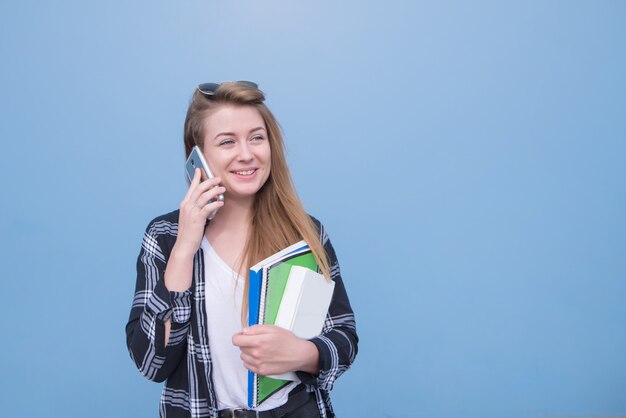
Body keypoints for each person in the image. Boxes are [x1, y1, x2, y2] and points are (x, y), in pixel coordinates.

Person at [125, 81, 358, 418]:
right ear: (198, 155)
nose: (246, 154)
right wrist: (184, 249)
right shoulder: (164, 236)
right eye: (227, 142)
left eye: (256, 137)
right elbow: (151, 363)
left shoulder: (305, 233)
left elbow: (344, 337)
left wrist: (303, 353)